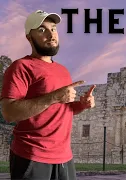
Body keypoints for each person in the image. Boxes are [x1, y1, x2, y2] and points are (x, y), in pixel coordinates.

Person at [0, 10, 96, 180]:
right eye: (42, 30)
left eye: (54, 29)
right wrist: (54, 97)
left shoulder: (63, 71)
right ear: (29, 37)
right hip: (31, 156)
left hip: (64, 157)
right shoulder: (20, 67)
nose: (51, 34)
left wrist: (81, 104)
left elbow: (62, 110)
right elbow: (9, 113)